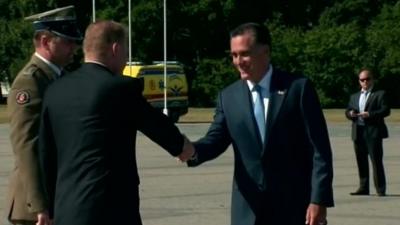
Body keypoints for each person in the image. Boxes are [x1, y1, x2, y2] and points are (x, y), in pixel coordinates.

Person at [37, 20, 194, 225]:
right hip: (109, 211)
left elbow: (46, 154)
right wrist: (184, 147)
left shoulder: (55, 90)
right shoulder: (120, 88)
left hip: (67, 210)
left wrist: (49, 208)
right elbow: (157, 125)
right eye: (125, 51)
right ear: (115, 48)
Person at [186, 22, 334, 225]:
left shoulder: (298, 89)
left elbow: (320, 150)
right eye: (234, 55)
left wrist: (319, 199)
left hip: (294, 207)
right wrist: (191, 150)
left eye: (244, 54)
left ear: (266, 52)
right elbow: (216, 140)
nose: (238, 61)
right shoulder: (228, 97)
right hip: (248, 210)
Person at [4, 5, 81, 225]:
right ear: (46, 41)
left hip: (58, 197)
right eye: (67, 41)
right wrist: (39, 205)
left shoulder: (59, 77)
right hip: (34, 207)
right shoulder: (30, 82)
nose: (73, 47)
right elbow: (26, 145)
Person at [345, 68, 390, 196]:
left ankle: (380, 189)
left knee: (376, 161)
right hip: (358, 132)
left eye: (367, 79)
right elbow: (347, 111)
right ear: (359, 81)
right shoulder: (354, 96)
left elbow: (385, 110)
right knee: (361, 161)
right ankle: (363, 187)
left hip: (373, 132)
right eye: (362, 80)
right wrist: (351, 114)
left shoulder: (380, 94)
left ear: (372, 79)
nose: (365, 82)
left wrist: (369, 114)